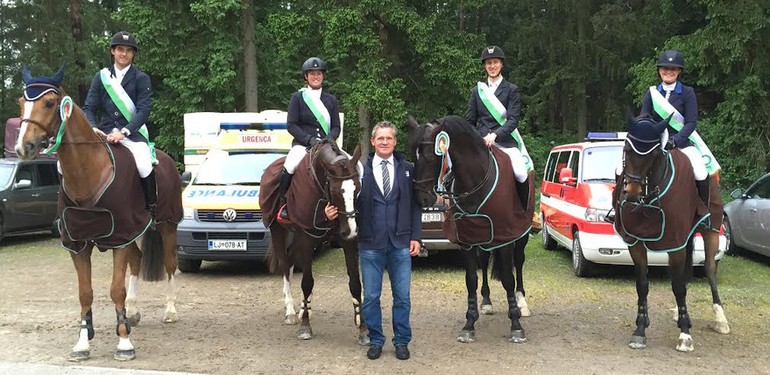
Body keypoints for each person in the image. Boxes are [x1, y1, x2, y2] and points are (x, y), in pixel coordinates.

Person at [347, 121, 420, 360]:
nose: (385, 142)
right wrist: (331, 212)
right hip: (370, 244)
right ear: (373, 142)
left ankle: (401, 341)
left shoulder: (408, 169)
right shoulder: (359, 171)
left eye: (389, 138)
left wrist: (416, 237)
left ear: (395, 142)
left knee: (402, 298)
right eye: (380, 138)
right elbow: (347, 199)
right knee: (370, 297)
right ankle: (376, 340)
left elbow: (415, 206)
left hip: (400, 243)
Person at [83, 31, 157, 217]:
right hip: (104, 133)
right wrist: (93, 127)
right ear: (113, 51)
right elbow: (89, 107)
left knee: (143, 163)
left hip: (131, 134)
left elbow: (143, 111)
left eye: (128, 51)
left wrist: (124, 132)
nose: (124, 54)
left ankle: (151, 208)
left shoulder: (141, 78)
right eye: (120, 50)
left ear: (133, 54)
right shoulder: (101, 77)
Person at [276, 57, 341, 223]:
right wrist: (310, 140)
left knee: (356, 167)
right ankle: (283, 204)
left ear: (323, 76)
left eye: (318, 73)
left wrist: (328, 140)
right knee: (290, 165)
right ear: (306, 77)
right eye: (312, 74)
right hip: (303, 145)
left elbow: (336, 127)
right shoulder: (297, 98)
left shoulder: (331, 100)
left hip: (327, 146)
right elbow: (291, 125)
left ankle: (351, 209)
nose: (316, 76)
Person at [640, 50, 709, 205]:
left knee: (700, 171)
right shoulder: (651, 93)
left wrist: (676, 140)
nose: (668, 71)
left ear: (679, 71)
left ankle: (704, 215)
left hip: (680, 143)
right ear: (659, 70)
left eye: (673, 68)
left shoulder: (687, 92)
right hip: (655, 143)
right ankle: (621, 209)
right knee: (622, 168)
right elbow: (644, 118)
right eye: (665, 68)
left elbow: (691, 122)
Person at [465, 45, 530, 208]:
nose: (492, 66)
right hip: (481, 143)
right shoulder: (477, 91)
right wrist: (476, 139)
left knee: (521, 173)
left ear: (501, 64)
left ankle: (524, 211)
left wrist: (495, 135)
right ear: (484, 66)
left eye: (495, 62)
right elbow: (470, 121)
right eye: (488, 63)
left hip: (505, 141)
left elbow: (513, 119)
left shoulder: (511, 90)